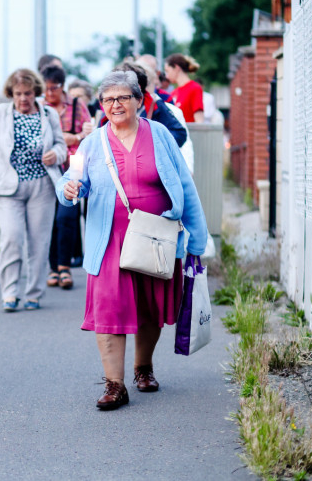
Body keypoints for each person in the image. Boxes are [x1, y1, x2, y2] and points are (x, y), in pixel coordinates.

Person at [59, 70, 207, 410]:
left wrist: (197, 239)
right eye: (109, 99)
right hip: (109, 240)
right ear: (101, 105)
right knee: (108, 307)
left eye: (123, 97)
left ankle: (144, 367)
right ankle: (115, 384)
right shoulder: (92, 143)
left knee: (150, 306)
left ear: (139, 101)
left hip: (156, 237)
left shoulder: (160, 135)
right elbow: (72, 180)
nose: (116, 104)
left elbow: (185, 185)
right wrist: (68, 189)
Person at [0, 68, 67, 312]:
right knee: (11, 239)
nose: (23, 98)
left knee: (39, 243)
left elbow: (61, 146)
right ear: (11, 93)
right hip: (8, 187)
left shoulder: (48, 114)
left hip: (42, 187)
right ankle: (10, 293)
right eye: (18, 94)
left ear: (36, 92)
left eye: (28, 93)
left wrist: (55, 154)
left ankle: (34, 293)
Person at [40, 65, 91, 289]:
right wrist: (66, 138)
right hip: (49, 169)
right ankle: (53, 267)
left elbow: (89, 135)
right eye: (46, 88)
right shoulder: (41, 107)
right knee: (50, 218)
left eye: (54, 88)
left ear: (62, 86)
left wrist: (76, 137)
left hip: (74, 166)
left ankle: (65, 266)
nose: (49, 93)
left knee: (67, 216)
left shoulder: (78, 106)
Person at [165, 54, 204, 123]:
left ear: (176, 68)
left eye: (167, 71)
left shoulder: (194, 88)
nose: (167, 76)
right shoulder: (173, 93)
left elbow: (199, 121)